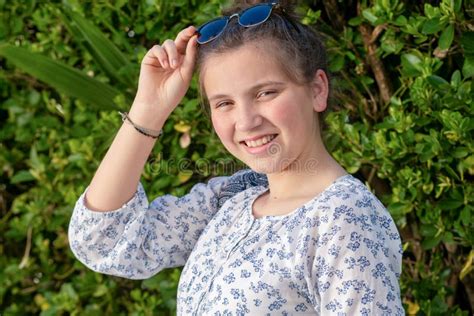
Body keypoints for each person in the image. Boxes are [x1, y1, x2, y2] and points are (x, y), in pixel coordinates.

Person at [68, 0, 404, 314]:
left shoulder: (342, 219)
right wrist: (149, 109)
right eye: (224, 103)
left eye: (265, 93)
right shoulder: (234, 199)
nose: (246, 121)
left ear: (317, 89)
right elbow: (104, 240)